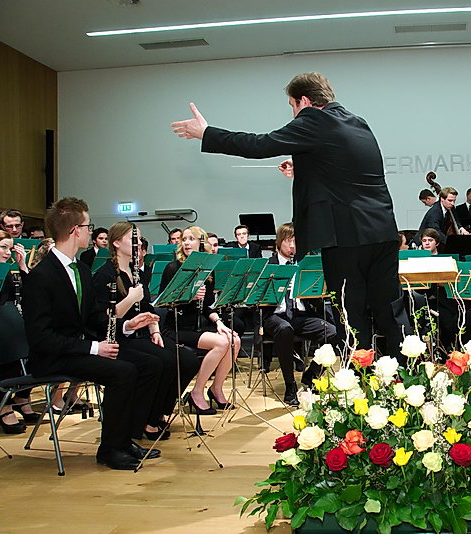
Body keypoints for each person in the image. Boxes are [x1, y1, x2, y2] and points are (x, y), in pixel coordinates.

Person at [171, 71, 409, 354]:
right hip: (382, 232)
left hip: (346, 238)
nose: (293, 113)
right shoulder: (357, 122)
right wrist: (307, 167)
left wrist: (207, 133)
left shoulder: (314, 120)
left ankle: (360, 377)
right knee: (390, 310)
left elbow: (259, 144)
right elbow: (350, 171)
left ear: (304, 101)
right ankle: (403, 372)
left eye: (292, 106)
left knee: (351, 315)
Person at [22, 197, 162, 470]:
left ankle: (123, 439)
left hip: (76, 349)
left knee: (148, 364)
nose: (91, 231)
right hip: (53, 357)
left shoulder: (81, 270)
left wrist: (126, 326)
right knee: (123, 372)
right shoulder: (41, 276)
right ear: (75, 230)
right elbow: (41, 337)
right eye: (88, 226)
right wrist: (94, 348)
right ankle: (110, 448)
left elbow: (93, 317)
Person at [93, 222, 199, 440]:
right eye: (134, 239)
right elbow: (104, 318)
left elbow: (147, 307)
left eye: (139, 239)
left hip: (142, 334)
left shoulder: (136, 272)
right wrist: (131, 299)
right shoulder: (105, 274)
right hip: (120, 338)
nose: (139, 243)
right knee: (163, 362)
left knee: (188, 360)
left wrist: (155, 330)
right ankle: (145, 420)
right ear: (116, 243)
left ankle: (159, 411)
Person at [159, 226, 240, 415]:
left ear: (201, 243)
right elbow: (164, 302)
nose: (186, 243)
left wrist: (219, 323)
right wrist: (189, 295)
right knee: (221, 343)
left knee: (234, 340)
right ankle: (197, 392)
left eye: (191, 239)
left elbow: (208, 306)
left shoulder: (207, 270)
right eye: (184, 239)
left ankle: (216, 389)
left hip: (199, 325)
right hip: (177, 327)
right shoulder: (173, 268)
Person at [262, 223, 338, 405]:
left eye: (295, 242)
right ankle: (290, 385)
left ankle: (312, 374)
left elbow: (316, 296)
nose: (292, 246)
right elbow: (260, 297)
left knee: (333, 332)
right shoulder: (269, 265)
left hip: (299, 315)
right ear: (279, 242)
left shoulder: (304, 265)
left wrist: (315, 288)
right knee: (284, 329)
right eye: (288, 241)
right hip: (275, 315)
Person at [0, 229, 35, 433]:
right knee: (6, 355)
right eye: (3, 247)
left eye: (10, 248)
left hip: (7, 321)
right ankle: (4, 407)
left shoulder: (6, 271)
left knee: (33, 351)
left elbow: (29, 294)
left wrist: (22, 266)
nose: (7, 252)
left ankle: (20, 398)